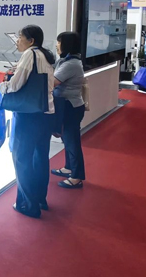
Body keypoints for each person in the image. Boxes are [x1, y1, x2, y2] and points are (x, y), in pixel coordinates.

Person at [0, 25, 55, 218]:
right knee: (40, 158)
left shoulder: (29, 54)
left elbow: (15, 84)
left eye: (20, 37)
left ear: (31, 41)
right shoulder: (45, 56)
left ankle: (28, 205)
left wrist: (1, 86)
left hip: (29, 115)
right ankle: (40, 199)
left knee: (21, 158)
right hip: (46, 113)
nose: (17, 41)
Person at [51, 32, 86, 189]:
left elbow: (53, 81)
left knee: (72, 142)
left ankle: (77, 176)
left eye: (59, 42)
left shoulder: (71, 64)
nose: (57, 45)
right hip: (68, 105)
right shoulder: (66, 61)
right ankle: (69, 167)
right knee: (67, 139)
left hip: (71, 107)